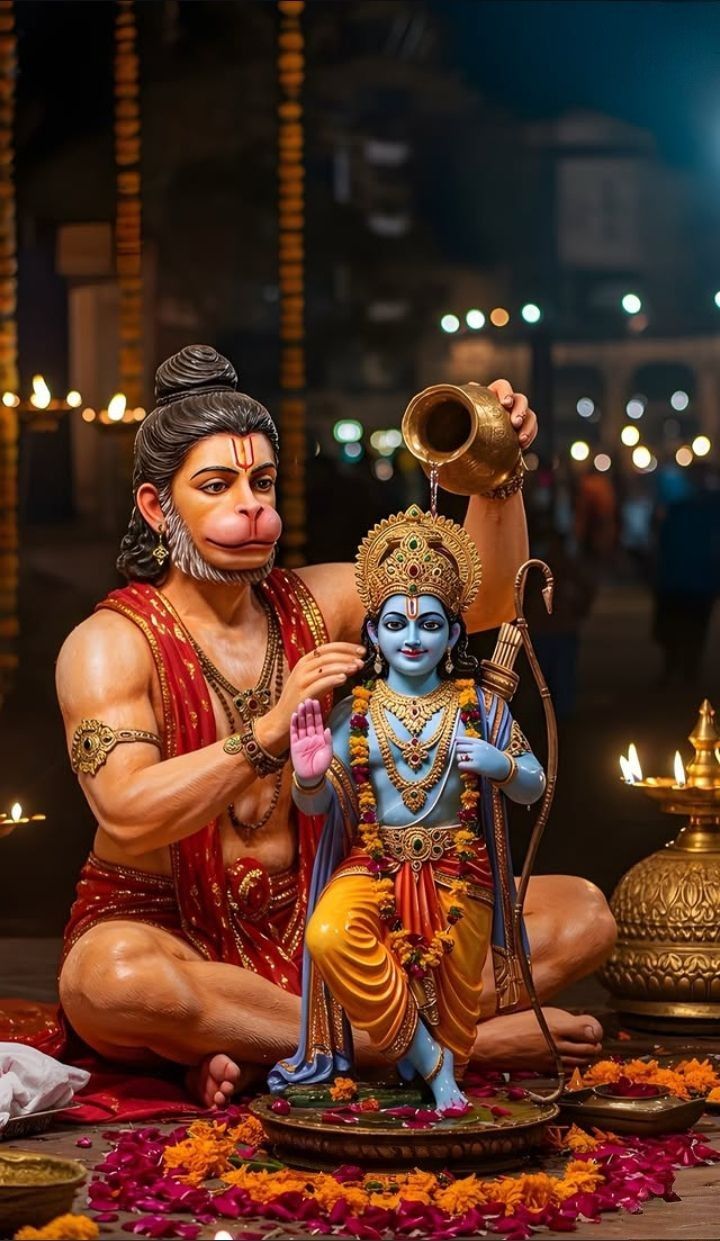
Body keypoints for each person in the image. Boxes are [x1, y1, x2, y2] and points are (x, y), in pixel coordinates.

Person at [35, 344, 610, 1108]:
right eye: (217, 486)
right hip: (172, 927)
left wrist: (495, 473)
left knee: (582, 913)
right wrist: (271, 730)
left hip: (331, 910)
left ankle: (279, 1042)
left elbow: (485, 601)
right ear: (154, 506)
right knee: (110, 982)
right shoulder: (108, 644)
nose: (252, 506)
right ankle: (425, 1044)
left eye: (262, 482)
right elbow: (127, 810)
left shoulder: (318, 598)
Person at [272, 507, 546, 1111]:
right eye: (396, 623)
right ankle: (428, 1062)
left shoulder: (481, 709)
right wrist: (310, 776)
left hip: (460, 875)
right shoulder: (354, 713)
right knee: (329, 933)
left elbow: (534, 784)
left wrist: (501, 766)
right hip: (373, 866)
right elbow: (312, 806)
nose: (412, 638)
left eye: (429, 625)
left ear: (452, 635)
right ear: (373, 634)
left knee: (460, 1016)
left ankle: (438, 1060)